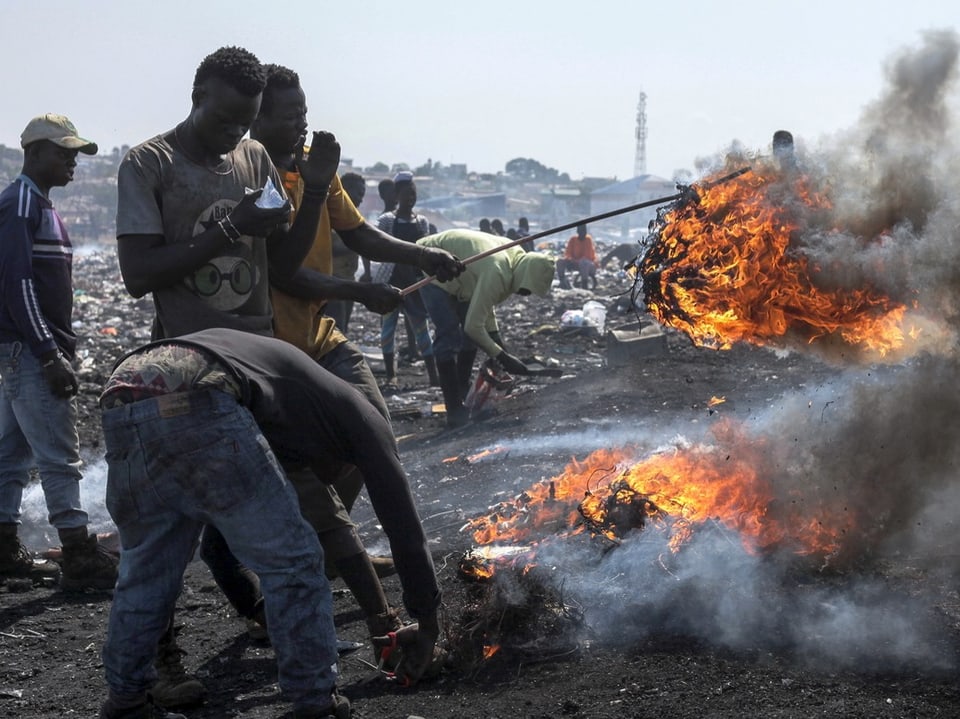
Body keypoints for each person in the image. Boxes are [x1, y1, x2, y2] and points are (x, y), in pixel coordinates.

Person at [195, 62, 461, 659]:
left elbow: (361, 235)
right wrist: (359, 292)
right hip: (271, 353)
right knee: (246, 491)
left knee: (372, 435)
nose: (302, 125)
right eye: (289, 117)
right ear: (254, 118)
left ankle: (329, 538)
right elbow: (286, 270)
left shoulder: (309, 168)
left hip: (320, 340)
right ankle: (282, 581)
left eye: (304, 113)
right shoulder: (246, 180)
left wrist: (422, 256)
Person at [114, 45, 340, 709]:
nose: (234, 134)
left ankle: (145, 676)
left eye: (245, 122)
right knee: (168, 546)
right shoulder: (150, 163)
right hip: (189, 375)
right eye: (223, 119)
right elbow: (138, 275)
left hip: (256, 366)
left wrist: (316, 190)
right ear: (196, 95)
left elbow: (284, 261)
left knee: (246, 521)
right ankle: (166, 666)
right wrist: (230, 228)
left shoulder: (256, 159)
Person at [97, 328, 442, 719]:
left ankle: (126, 702)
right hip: (201, 388)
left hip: (125, 391)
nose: (327, 479)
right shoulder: (362, 419)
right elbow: (405, 528)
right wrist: (428, 622)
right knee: (293, 561)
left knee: (147, 570)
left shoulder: (287, 414)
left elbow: (224, 529)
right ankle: (315, 702)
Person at [0, 113, 119, 591]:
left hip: (22, 350)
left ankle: (5, 546)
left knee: (11, 454)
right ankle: (77, 550)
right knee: (58, 456)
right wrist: (49, 352)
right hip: (31, 351)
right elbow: (18, 283)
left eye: (74, 153)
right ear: (33, 153)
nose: (72, 161)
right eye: (62, 151)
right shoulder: (22, 202)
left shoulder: (40, 205)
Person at [418, 229, 555, 427]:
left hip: (463, 278)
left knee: (468, 339)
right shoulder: (499, 269)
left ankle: (464, 394)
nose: (525, 294)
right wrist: (503, 357)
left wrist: (500, 349)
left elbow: (484, 309)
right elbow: (473, 327)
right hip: (432, 264)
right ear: (525, 274)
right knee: (449, 336)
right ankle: (454, 409)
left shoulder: (515, 258)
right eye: (528, 288)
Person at [376, 171, 439, 390]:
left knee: (422, 330)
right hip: (391, 281)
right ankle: (391, 376)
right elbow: (374, 246)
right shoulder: (386, 221)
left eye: (413, 193)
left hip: (415, 282)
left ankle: (433, 376)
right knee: (388, 331)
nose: (410, 198)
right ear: (397, 195)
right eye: (406, 194)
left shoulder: (422, 222)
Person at [325, 171, 371, 334]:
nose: (361, 198)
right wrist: (356, 243)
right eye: (359, 193)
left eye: (363, 194)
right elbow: (328, 248)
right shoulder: (328, 216)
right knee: (335, 330)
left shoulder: (355, 219)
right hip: (332, 282)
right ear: (344, 190)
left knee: (343, 328)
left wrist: (367, 272)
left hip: (349, 281)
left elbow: (365, 247)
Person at [556, 223, 598, 290]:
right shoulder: (573, 239)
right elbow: (568, 253)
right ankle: (562, 281)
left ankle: (584, 284)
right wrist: (570, 259)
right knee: (560, 261)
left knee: (584, 262)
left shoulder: (588, 239)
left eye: (584, 231)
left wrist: (575, 261)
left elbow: (587, 256)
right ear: (577, 231)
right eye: (581, 231)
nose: (583, 233)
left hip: (589, 264)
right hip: (575, 262)